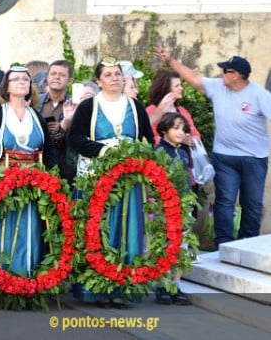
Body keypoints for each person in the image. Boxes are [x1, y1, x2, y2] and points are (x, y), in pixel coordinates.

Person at [155, 47, 271, 245]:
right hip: (224, 157)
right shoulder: (218, 87)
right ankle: (224, 244)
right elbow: (194, 78)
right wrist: (170, 61)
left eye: (226, 70)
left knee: (252, 204)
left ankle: (247, 243)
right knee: (224, 201)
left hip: (254, 158)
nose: (221, 73)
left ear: (236, 75)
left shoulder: (260, 95)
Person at [68, 57, 154, 307]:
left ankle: (121, 286)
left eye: (117, 74)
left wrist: (137, 154)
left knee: (127, 228)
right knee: (99, 229)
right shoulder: (88, 107)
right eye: (108, 75)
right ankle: (96, 287)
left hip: (128, 180)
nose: (115, 78)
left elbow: (148, 139)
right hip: (97, 178)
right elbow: (75, 139)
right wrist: (105, 152)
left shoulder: (135, 107)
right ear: (98, 81)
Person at [0, 65, 56, 295]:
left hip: (33, 186)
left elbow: (49, 151)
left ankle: (27, 282)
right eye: (16, 79)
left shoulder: (36, 117)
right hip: (3, 184)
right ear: (6, 87)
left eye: (25, 79)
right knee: (3, 229)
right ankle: (2, 283)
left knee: (31, 229)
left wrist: (46, 177)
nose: (21, 82)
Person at [153, 112, 192, 306]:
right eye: (175, 128)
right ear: (164, 129)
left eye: (183, 129)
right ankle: (163, 285)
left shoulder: (183, 153)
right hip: (165, 205)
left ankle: (176, 285)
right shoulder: (159, 152)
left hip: (183, 204)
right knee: (165, 244)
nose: (180, 132)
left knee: (181, 245)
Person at [37, 60, 76, 183]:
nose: (57, 77)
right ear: (47, 77)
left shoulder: (76, 105)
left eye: (62, 75)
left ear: (70, 81)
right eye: (53, 73)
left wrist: (65, 126)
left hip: (65, 166)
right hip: (38, 164)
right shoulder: (35, 102)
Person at [146, 69, 201, 145]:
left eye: (181, 85)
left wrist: (192, 140)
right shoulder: (152, 110)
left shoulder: (182, 110)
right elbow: (151, 137)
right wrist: (178, 139)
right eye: (177, 86)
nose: (181, 88)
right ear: (166, 89)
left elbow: (195, 133)